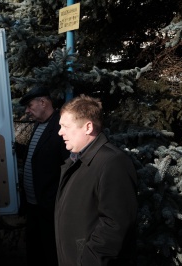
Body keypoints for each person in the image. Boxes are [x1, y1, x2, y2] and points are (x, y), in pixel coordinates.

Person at [55, 94, 138, 266]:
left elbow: (115, 224)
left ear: (88, 127)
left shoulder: (113, 162)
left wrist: (89, 260)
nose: (60, 132)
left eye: (65, 126)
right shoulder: (76, 161)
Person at [18, 86, 70, 266]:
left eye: (29, 105)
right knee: (35, 251)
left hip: (50, 207)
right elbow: (41, 155)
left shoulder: (60, 126)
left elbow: (68, 166)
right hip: (34, 206)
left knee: (50, 253)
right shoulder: (40, 125)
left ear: (43, 102)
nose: (27, 111)